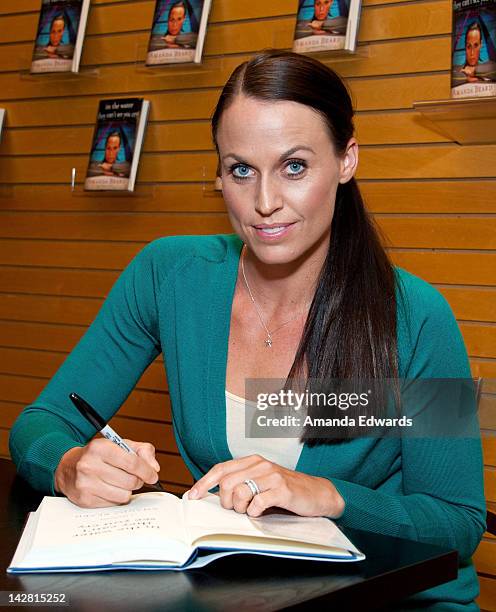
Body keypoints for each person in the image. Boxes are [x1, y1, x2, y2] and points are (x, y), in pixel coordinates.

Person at [10, 50, 485, 609]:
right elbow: (38, 423)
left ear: (347, 159)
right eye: (241, 170)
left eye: (294, 166)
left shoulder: (417, 316)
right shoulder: (169, 276)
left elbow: (457, 521)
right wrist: (68, 467)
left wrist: (327, 495)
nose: (264, 203)